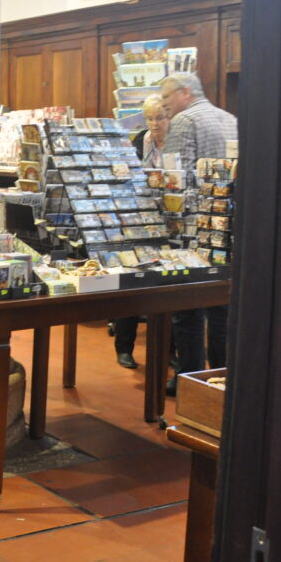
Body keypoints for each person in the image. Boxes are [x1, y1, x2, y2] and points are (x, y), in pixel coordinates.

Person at [161, 72, 237, 393]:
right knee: (221, 309)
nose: (165, 107)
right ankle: (219, 381)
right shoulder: (230, 119)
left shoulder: (184, 121)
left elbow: (173, 178)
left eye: (167, 99)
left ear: (185, 92)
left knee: (188, 311)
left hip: (191, 231)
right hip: (225, 228)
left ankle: (188, 381)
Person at [112, 94, 169, 368]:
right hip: (137, 220)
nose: (154, 124)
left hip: (168, 221)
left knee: (167, 287)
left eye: (160, 117)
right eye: (150, 118)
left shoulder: (176, 142)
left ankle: (168, 351)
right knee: (132, 282)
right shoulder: (138, 142)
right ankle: (124, 347)